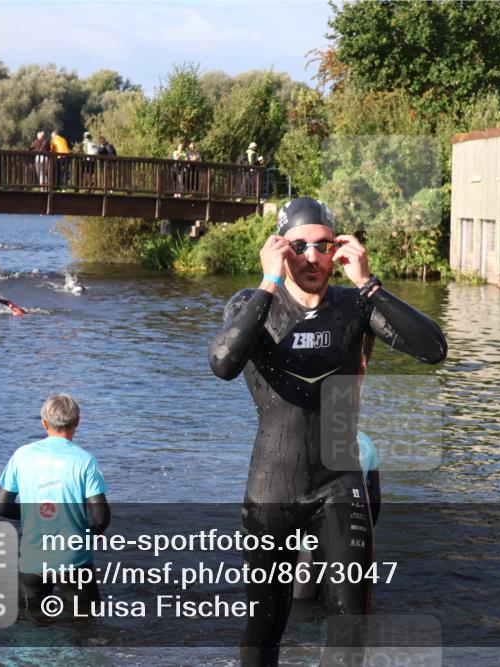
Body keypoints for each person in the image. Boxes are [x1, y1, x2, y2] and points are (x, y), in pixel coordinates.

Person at [208, 197, 447, 666]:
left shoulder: (355, 305)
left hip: (340, 481)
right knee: (265, 624)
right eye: (299, 246)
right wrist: (269, 282)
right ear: (279, 248)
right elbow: (222, 363)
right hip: (273, 485)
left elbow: (434, 348)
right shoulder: (252, 303)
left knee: (348, 628)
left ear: (338, 249)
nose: (312, 258)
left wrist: (368, 283)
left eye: (323, 246)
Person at [0, 394, 110, 617]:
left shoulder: (22, 455)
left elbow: (2, 507)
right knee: (84, 627)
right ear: (77, 421)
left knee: (32, 628)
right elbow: (101, 518)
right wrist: (94, 533)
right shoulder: (85, 460)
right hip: (74, 560)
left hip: (32, 560)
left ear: (44, 423)